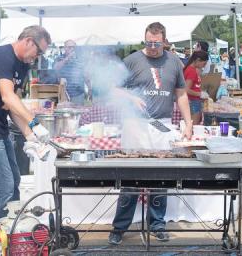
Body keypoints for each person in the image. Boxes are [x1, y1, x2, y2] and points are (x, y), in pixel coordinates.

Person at [108, 22, 193, 245]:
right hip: (135, 124)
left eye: (156, 43)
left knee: (160, 178)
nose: (152, 47)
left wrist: (189, 122)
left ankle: (157, 225)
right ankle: (119, 227)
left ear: (164, 41)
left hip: (161, 125)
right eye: (148, 43)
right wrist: (131, 98)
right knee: (130, 178)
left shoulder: (174, 61)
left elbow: (181, 94)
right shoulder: (133, 60)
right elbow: (113, 88)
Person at [0, 25, 52, 222]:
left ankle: (12, 230)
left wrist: (30, 136)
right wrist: (34, 123)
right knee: (3, 187)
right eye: (38, 51)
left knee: (14, 181)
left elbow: (11, 104)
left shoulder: (23, 65)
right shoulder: (3, 56)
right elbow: (7, 95)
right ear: (29, 41)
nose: (37, 56)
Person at [54, 40, 87, 105]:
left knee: (78, 113)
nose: (72, 49)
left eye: (73, 47)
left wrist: (89, 88)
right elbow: (55, 68)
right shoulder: (59, 58)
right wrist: (67, 58)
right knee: (64, 114)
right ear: (65, 48)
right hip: (64, 93)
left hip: (78, 94)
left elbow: (85, 74)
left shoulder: (80, 59)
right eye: (69, 47)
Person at [183, 51, 209, 125]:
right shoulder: (191, 71)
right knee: (194, 124)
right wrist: (200, 94)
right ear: (198, 60)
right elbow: (186, 89)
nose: (204, 66)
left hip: (194, 101)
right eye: (204, 63)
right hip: (193, 101)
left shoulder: (192, 70)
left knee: (194, 123)